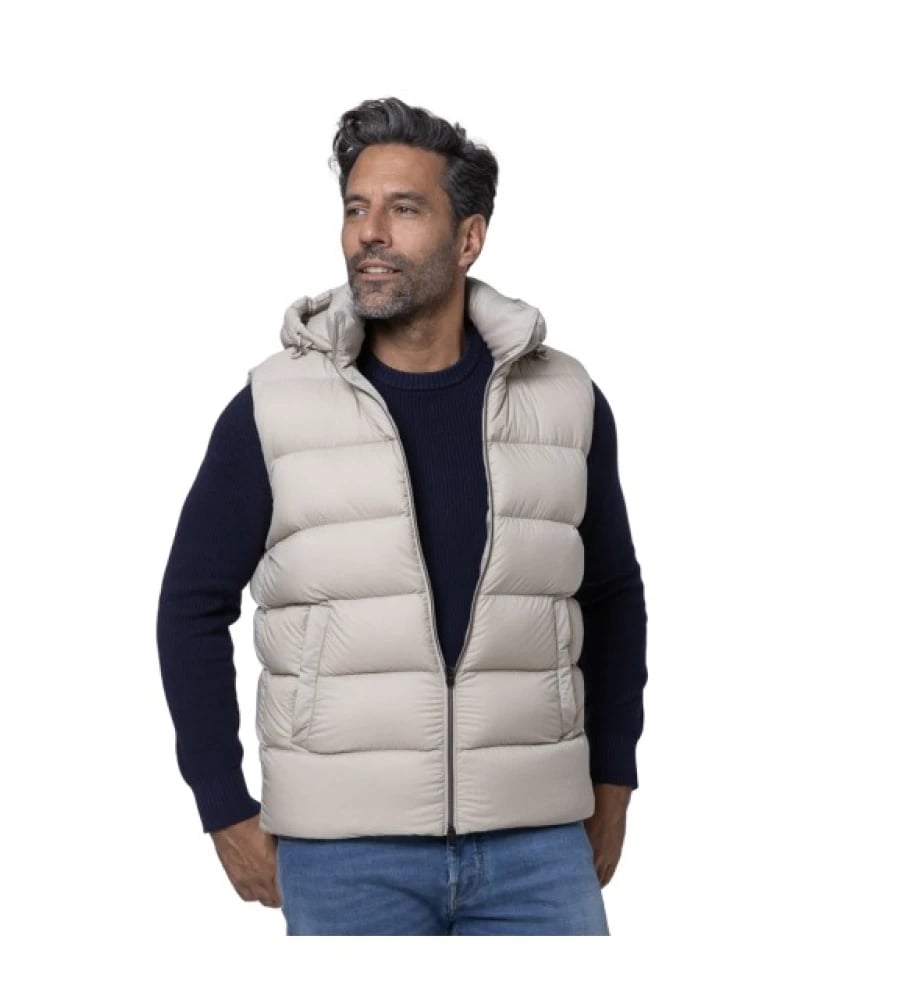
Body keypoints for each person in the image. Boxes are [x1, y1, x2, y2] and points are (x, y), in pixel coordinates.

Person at [156, 96, 648, 935]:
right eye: (356, 209)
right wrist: (222, 806)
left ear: (468, 238)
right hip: (344, 851)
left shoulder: (564, 398)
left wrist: (613, 780)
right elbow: (190, 606)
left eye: (404, 209)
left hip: (537, 844)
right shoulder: (275, 406)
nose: (369, 233)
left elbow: (611, 597)